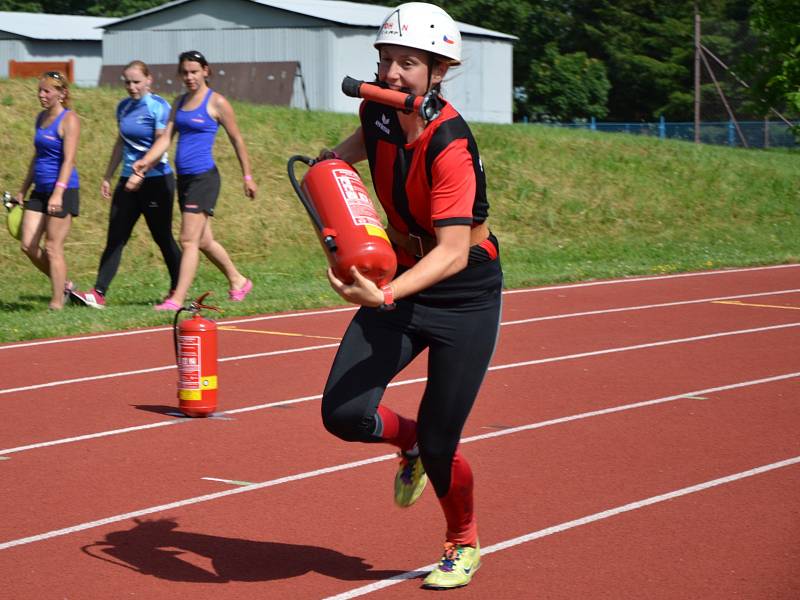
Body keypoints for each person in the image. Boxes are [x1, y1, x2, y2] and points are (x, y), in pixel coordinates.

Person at [318, 3, 502, 590]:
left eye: (407, 63)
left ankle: (462, 541)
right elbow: (340, 163)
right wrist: (336, 219)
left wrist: (386, 292)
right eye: (385, 60)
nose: (391, 73)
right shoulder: (374, 112)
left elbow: (451, 252)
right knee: (343, 415)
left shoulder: (451, 142)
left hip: (463, 293)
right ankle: (411, 444)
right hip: (397, 274)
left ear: (437, 70)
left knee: (445, 442)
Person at [133, 50, 256, 311]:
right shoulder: (178, 103)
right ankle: (239, 280)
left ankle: (177, 299)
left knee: (188, 240)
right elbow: (166, 138)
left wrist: (247, 176)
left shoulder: (217, 103)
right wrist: (146, 161)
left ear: (206, 71)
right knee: (203, 241)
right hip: (185, 179)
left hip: (205, 178)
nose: (189, 77)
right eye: (185, 72)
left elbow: (237, 140)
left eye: (194, 72)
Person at [71, 60, 182, 309]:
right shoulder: (122, 107)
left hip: (156, 180)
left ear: (149, 80)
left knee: (162, 236)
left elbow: (160, 146)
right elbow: (121, 143)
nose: (131, 87)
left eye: (136, 82)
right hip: (127, 180)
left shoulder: (159, 107)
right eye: (127, 82)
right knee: (116, 236)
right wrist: (108, 176)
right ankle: (98, 293)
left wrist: (142, 172)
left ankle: (178, 288)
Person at [15, 71, 80, 310]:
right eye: (40, 91)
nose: (41, 95)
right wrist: (23, 189)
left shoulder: (69, 119)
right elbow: (37, 156)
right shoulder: (40, 118)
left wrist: (58, 192)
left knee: (53, 247)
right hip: (39, 190)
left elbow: (68, 160)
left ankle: (57, 303)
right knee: (28, 245)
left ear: (61, 94)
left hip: (62, 190)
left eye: (47, 91)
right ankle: (64, 284)